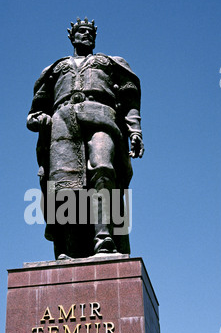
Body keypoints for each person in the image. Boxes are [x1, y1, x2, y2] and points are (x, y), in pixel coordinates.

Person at [27, 18, 144, 259]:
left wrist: (135, 131)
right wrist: (37, 119)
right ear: (72, 36)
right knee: (64, 184)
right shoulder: (55, 69)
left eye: (90, 32)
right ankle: (70, 247)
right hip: (62, 125)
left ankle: (103, 238)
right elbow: (37, 107)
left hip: (102, 116)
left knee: (103, 167)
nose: (86, 35)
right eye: (81, 32)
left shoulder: (109, 63)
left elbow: (130, 97)